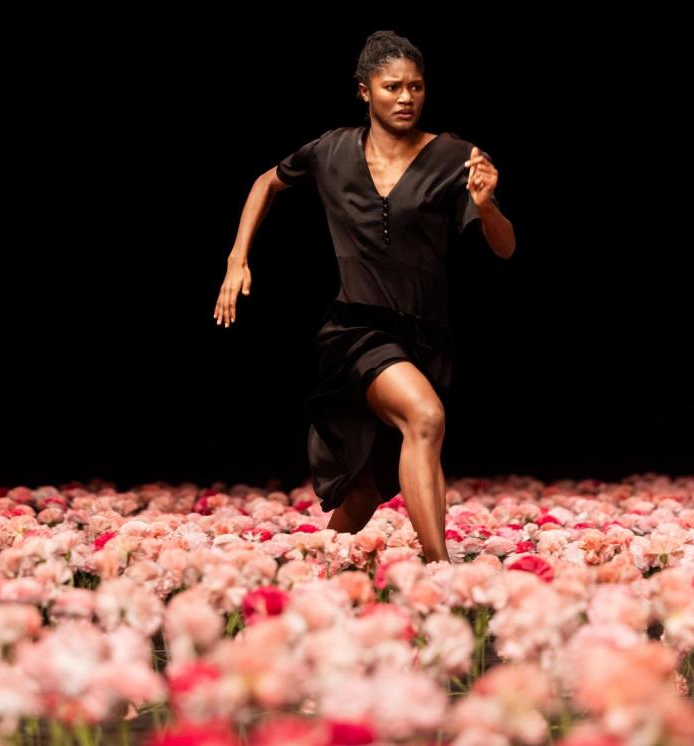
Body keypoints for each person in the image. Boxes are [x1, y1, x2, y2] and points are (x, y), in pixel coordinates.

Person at [213, 30, 516, 563]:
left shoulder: (456, 157)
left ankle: (313, 576)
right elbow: (266, 182)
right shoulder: (330, 151)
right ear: (364, 92)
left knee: (363, 498)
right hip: (355, 331)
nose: (406, 97)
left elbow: (505, 248)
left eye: (416, 87)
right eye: (392, 86)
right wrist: (238, 258)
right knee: (425, 417)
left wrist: (487, 206)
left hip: (425, 338)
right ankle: (439, 571)